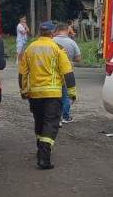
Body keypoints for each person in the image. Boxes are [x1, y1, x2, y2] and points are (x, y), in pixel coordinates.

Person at [19, 20, 77, 169]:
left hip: (35, 95)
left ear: (39, 32)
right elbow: (67, 73)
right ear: (52, 33)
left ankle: (40, 148)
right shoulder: (57, 49)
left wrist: (24, 90)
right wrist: (72, 93)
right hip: (52, 94)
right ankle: (44, 158)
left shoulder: (30, 48)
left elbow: (22, 73)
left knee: (39, 122)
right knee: (50, 124)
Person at [53, 23, 83, 124]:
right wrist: (70, 61)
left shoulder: (51, 41)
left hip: (52, 73)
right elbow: (78, 58)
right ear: (67, 31)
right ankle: (65, 116)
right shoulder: (72, 42)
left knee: (54, 95)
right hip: (67, 72)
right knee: (66, 95)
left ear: (57, 30)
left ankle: (54, 116)